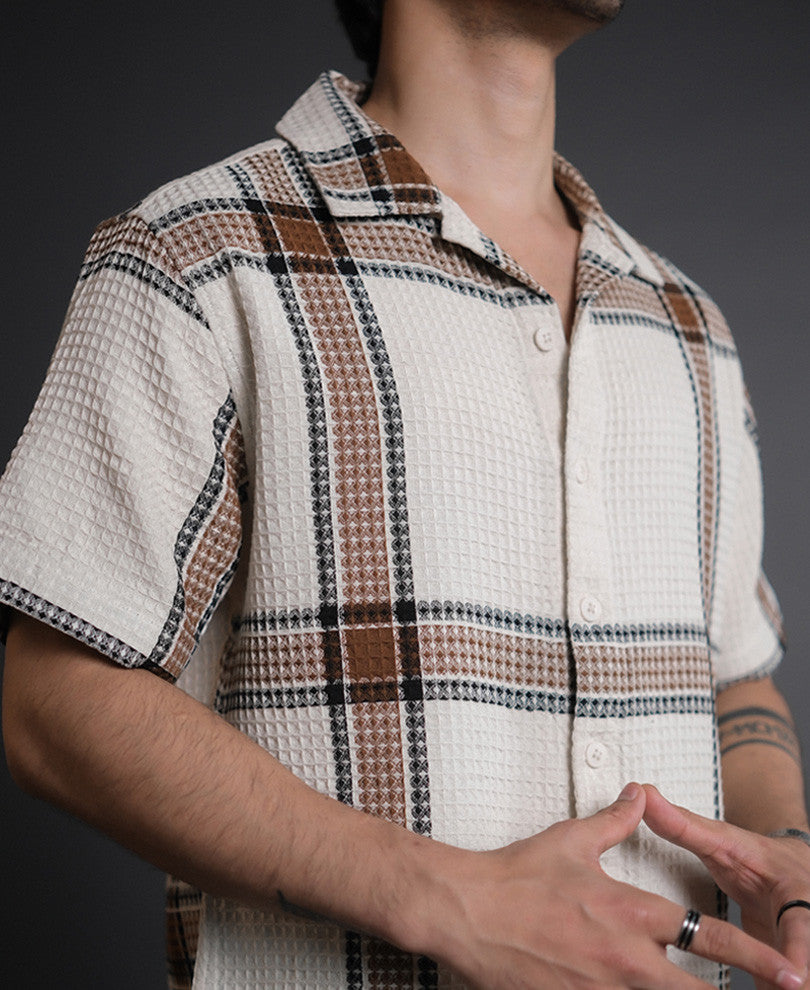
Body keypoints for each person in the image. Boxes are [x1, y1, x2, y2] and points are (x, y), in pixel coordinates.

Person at [1, 0, 809, 987]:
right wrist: (443, 899)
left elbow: (736, 678)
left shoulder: (687, 328)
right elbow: (49, 699)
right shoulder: (200, 257)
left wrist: (785, 854)